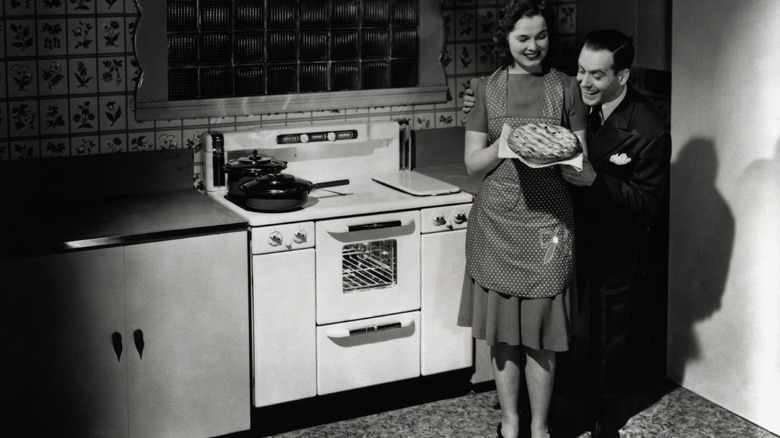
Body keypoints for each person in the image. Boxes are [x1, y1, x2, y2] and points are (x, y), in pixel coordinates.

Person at [463, 29, 671, 437]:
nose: (585, 82)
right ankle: (551, 412)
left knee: (607, 339)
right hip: (563, 236)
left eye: (597, 75)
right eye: (580, 71)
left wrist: (596, 180)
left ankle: (604, 422)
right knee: (563, 334)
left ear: (622, 77)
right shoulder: (574, 100)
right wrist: (476, 103)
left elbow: (648, 204)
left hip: (613, 247)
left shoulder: (648, 128)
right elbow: (525, 108)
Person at [455, 1, 587, 438]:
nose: (534, 46)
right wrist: (504, 146)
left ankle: (541, 427)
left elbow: (581, 168)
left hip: (548, 225)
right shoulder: (484, 89)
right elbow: (474, 164)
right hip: (496, 222)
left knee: (543, 334)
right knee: (504, 334)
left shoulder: (567, 88)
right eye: (523, 38)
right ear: (506, 40)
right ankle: (511, 424)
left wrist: (574, 164)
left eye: (542, 36)